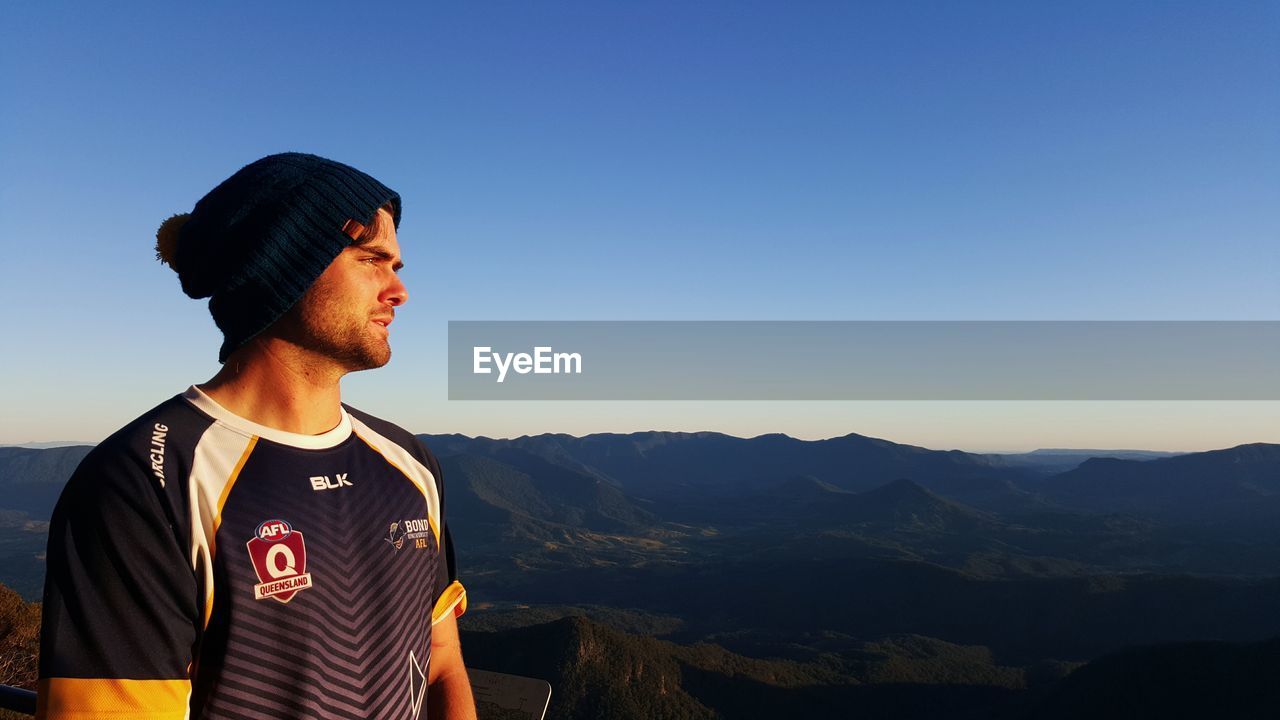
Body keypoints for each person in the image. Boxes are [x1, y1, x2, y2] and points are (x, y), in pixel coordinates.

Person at [37, 153, 476, 720]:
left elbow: (440, 660)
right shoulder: (145, 481)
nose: (400, 290)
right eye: (373, 260)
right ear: (288, 267)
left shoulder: (409, 462)